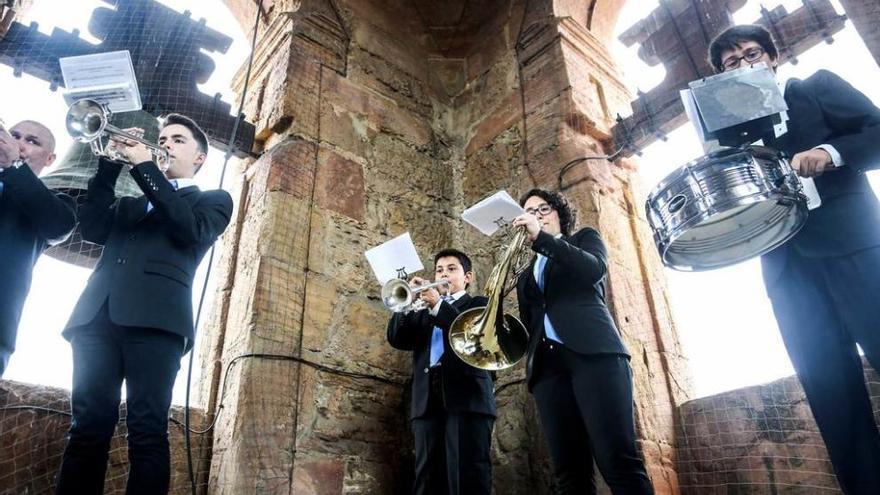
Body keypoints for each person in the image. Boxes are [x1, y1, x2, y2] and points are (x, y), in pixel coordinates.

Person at [708, 25, 880, 495]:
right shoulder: (731, 138)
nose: (744, 65)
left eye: (751, 54)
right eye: (731, 63)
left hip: (854, 245)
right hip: (786, 270)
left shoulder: (814, 87)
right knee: (831, 394)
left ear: (773, 58)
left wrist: (830, 152)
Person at [55, 114, 233, 495]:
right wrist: (108, 165)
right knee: (86, 429)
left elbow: (187, 230)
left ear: (200, 157)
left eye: (178, 140)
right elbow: (92, 228)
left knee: (147, 431)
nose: (165, 144)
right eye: (162, 139)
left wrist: (143, 165)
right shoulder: (131, 204)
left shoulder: (213, 201)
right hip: (95, 320)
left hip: (157, 325)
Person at [512, 189, 653, 494]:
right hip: (547, 370)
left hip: (594, 355)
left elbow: (594, 269)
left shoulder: (583, 239)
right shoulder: (525, 274)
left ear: (559, 213)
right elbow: (529, 325)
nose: (536, 215)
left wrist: (542, 239)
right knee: (569, 474)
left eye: (543, 209)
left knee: (617, 460)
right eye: (529, 212)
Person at [386, 249, 495, 494]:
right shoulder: (422, 310)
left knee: (467, 476)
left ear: (467, 277)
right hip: (426, 400)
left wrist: (438, 305)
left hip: (467, 398)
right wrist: (405, 304)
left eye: (451, 269)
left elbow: (471, 335)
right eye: (439, 270)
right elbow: (397, 339)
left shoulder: (479, 304)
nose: (443, 274)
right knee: (427, 478)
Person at [0, 119, 76, 376]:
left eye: (32, 141)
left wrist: (14, 165)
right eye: (14, 136)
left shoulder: (55, 204)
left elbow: (58, 226)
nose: (19, 144)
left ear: (50, 159)